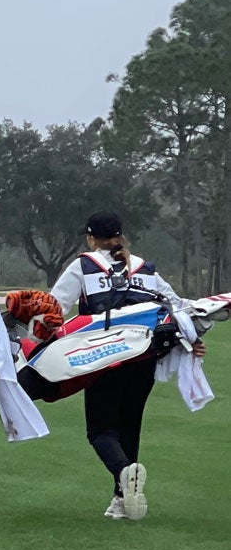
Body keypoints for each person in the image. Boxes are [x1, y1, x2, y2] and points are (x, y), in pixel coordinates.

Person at [47, 211, 208, 521]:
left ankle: (123, 475)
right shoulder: (145, 268)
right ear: (120, 236)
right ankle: (122, 500)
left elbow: (54, 310)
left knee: (100, 431)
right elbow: (178, 307)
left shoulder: (84, 265)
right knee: (128, 426)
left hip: (103, 359)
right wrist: (192, 340)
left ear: (91, 238)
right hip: (144, 360)